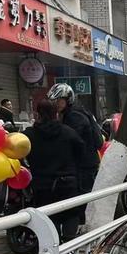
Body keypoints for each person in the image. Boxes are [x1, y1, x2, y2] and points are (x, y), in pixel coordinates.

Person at [25, 100, 84, 242]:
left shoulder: (28, 135)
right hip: (67, 183)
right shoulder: (68, 132)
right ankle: (70, 246)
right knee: (71, 214)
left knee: (49, 217)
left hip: (42, 185)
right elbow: (81, 152)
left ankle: (55, 246)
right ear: (56, 114)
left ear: (37, 114)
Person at [46, 84, 102, 217]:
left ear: (68, 100)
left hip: (84, 165)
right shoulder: (74, 112)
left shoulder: (74, 116)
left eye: (59, 100)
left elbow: (70, 140)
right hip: (84, 163)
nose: (56, 104)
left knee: (82, 198)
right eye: (54, 101)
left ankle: (83, 223)